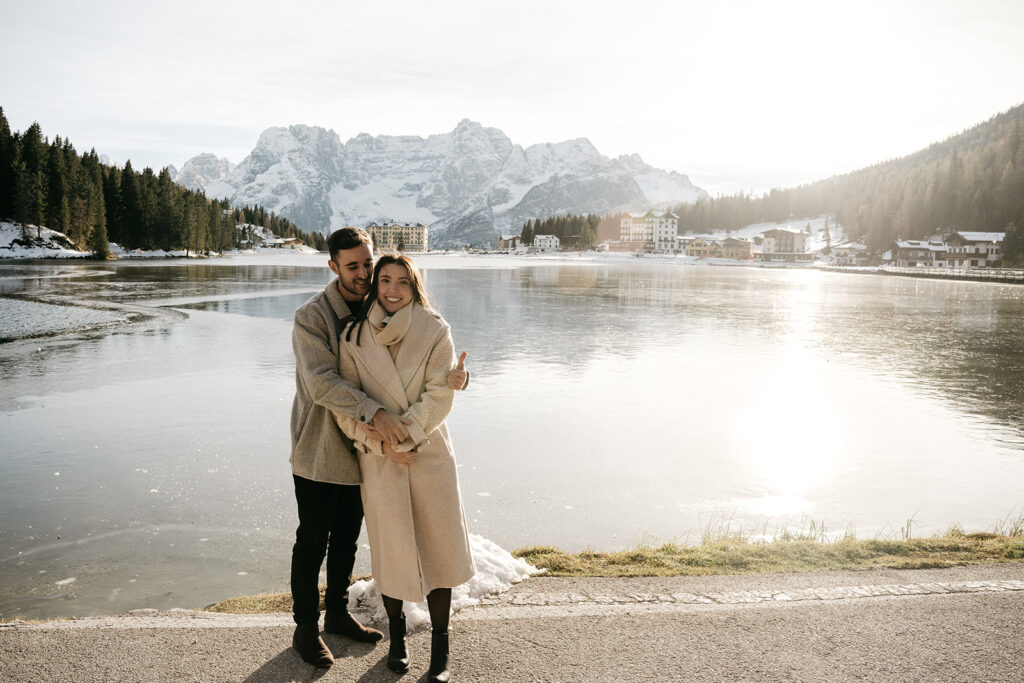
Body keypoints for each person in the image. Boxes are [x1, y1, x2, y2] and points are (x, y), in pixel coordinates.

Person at [289, 228, 468, 669]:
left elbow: (430, 362)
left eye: (368, 264)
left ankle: (336, 615)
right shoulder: (314, 316)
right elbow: (323, 383)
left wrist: (458, 379)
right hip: (323, 444)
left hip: (370, 452)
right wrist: (377, 420)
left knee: (348, 539)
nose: (366, 275)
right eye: (354, 267)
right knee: (313, 541)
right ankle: (305, 630)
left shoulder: (375, 308)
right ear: (333, 267)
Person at [334, 254, 475, 683]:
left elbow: (439, 395)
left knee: (439, 552)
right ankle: (396, 638)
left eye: (402, 282)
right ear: (375, 284)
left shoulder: (435, 330)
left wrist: (404, 437)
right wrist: (381, 444)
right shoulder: (354, 337)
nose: (393, 290)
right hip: (381, 461)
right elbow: (344, 404)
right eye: (385, 281)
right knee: (392, 554)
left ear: (415, 286)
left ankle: (441, 648)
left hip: (428, 455)